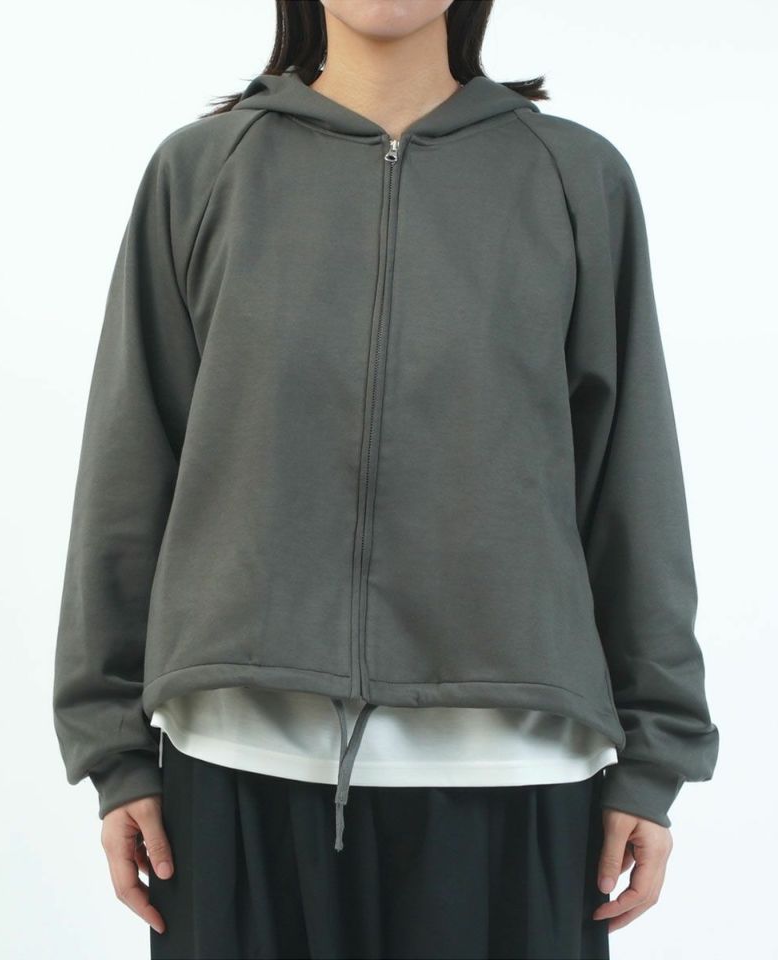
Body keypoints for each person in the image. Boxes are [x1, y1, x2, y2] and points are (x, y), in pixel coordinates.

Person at [52, 1, 720, 958]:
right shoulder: (202, 172)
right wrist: (114, 751)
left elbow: (632, 478)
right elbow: (129, 465)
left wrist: (655, 760)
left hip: (515, 776)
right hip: (235, 769)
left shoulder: (576, 177)